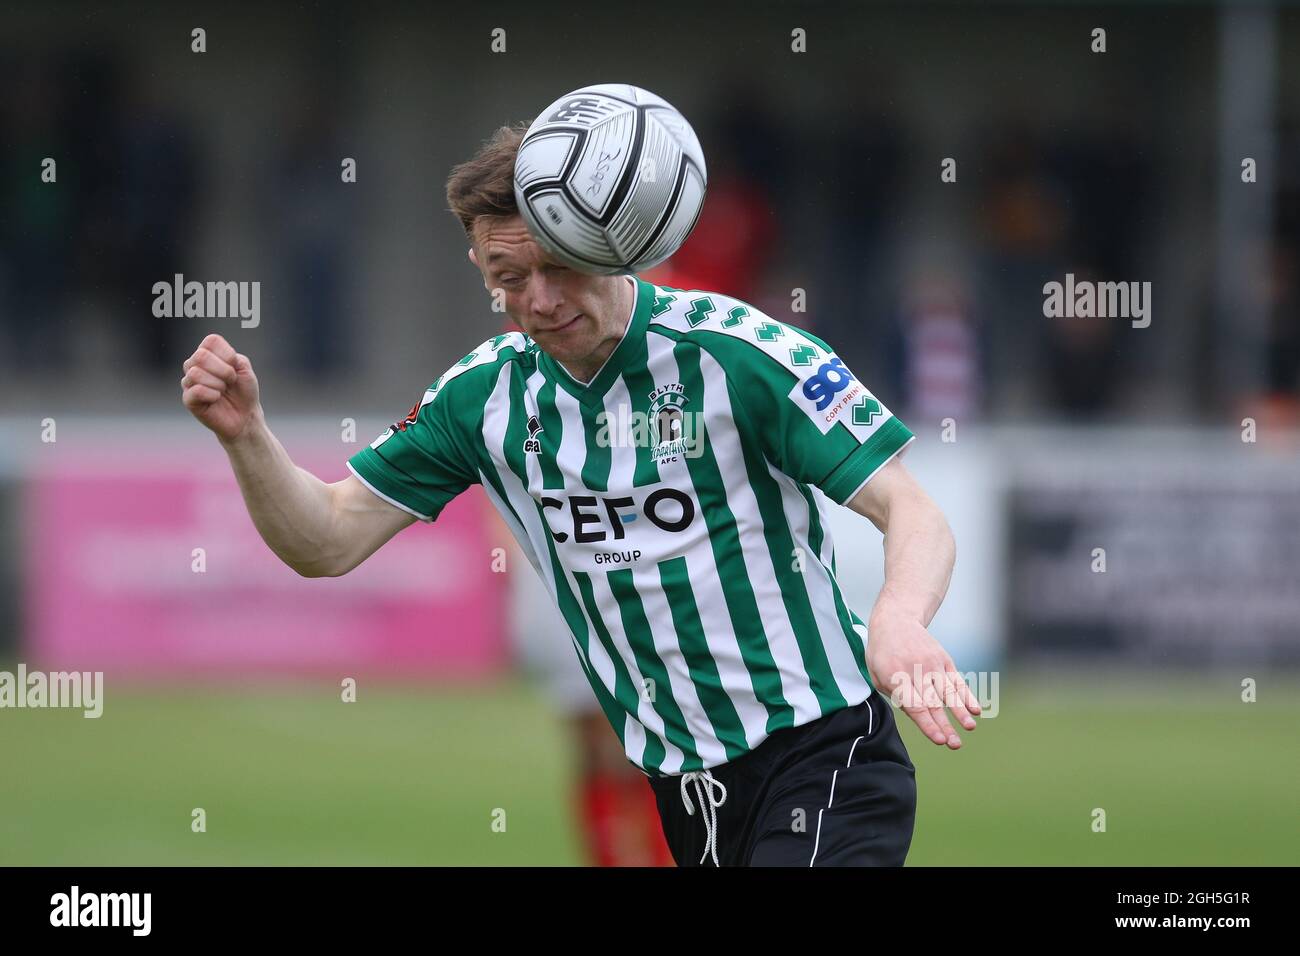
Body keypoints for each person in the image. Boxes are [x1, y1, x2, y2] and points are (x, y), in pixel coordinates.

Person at [180, 123, 979, 867]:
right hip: (686, 787)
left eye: (559, 265)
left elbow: (910, 508)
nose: (539, 299)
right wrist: (246, 436)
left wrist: (899, 620)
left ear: (614, 241)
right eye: (508, 278)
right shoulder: (481, 399)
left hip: (824, 750)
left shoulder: (740, 355)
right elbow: (325, 539)